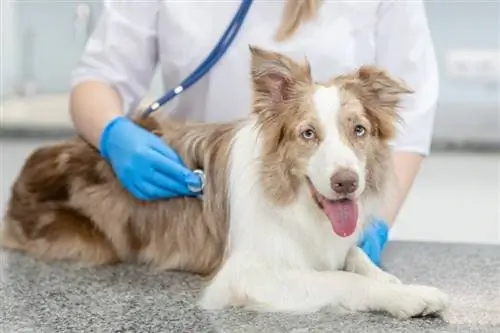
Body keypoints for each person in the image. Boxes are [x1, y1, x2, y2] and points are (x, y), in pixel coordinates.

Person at [69, 0, 438, 267]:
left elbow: (411, 115)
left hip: (327, 209)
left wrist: (376, 224)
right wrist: (112, 133)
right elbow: (99, 77)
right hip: (198, 200)